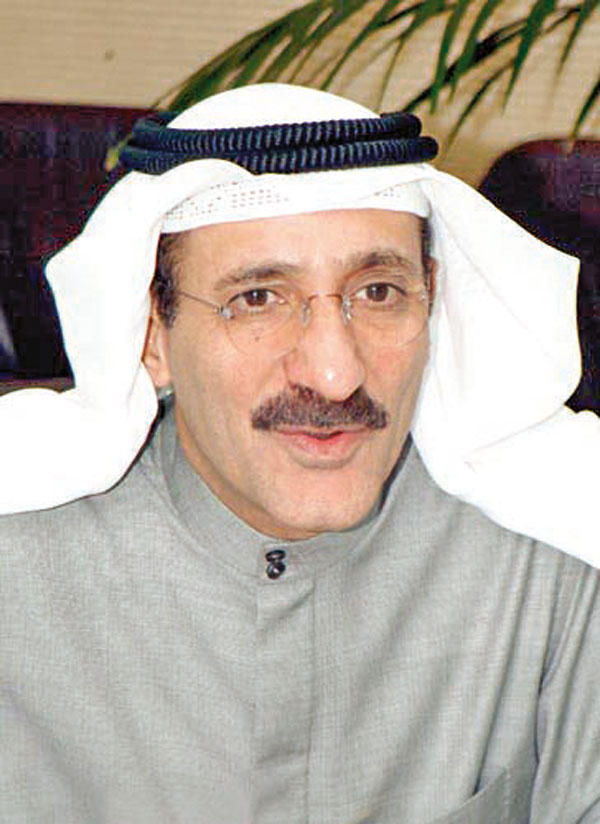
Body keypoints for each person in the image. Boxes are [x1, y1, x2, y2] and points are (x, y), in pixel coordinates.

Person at [0, 84, 598, 823]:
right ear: (151, 333)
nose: (334, 373)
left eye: (378, 292)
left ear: (434, 301)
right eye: (258, 298)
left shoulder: (559, 554)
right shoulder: (16, 572)